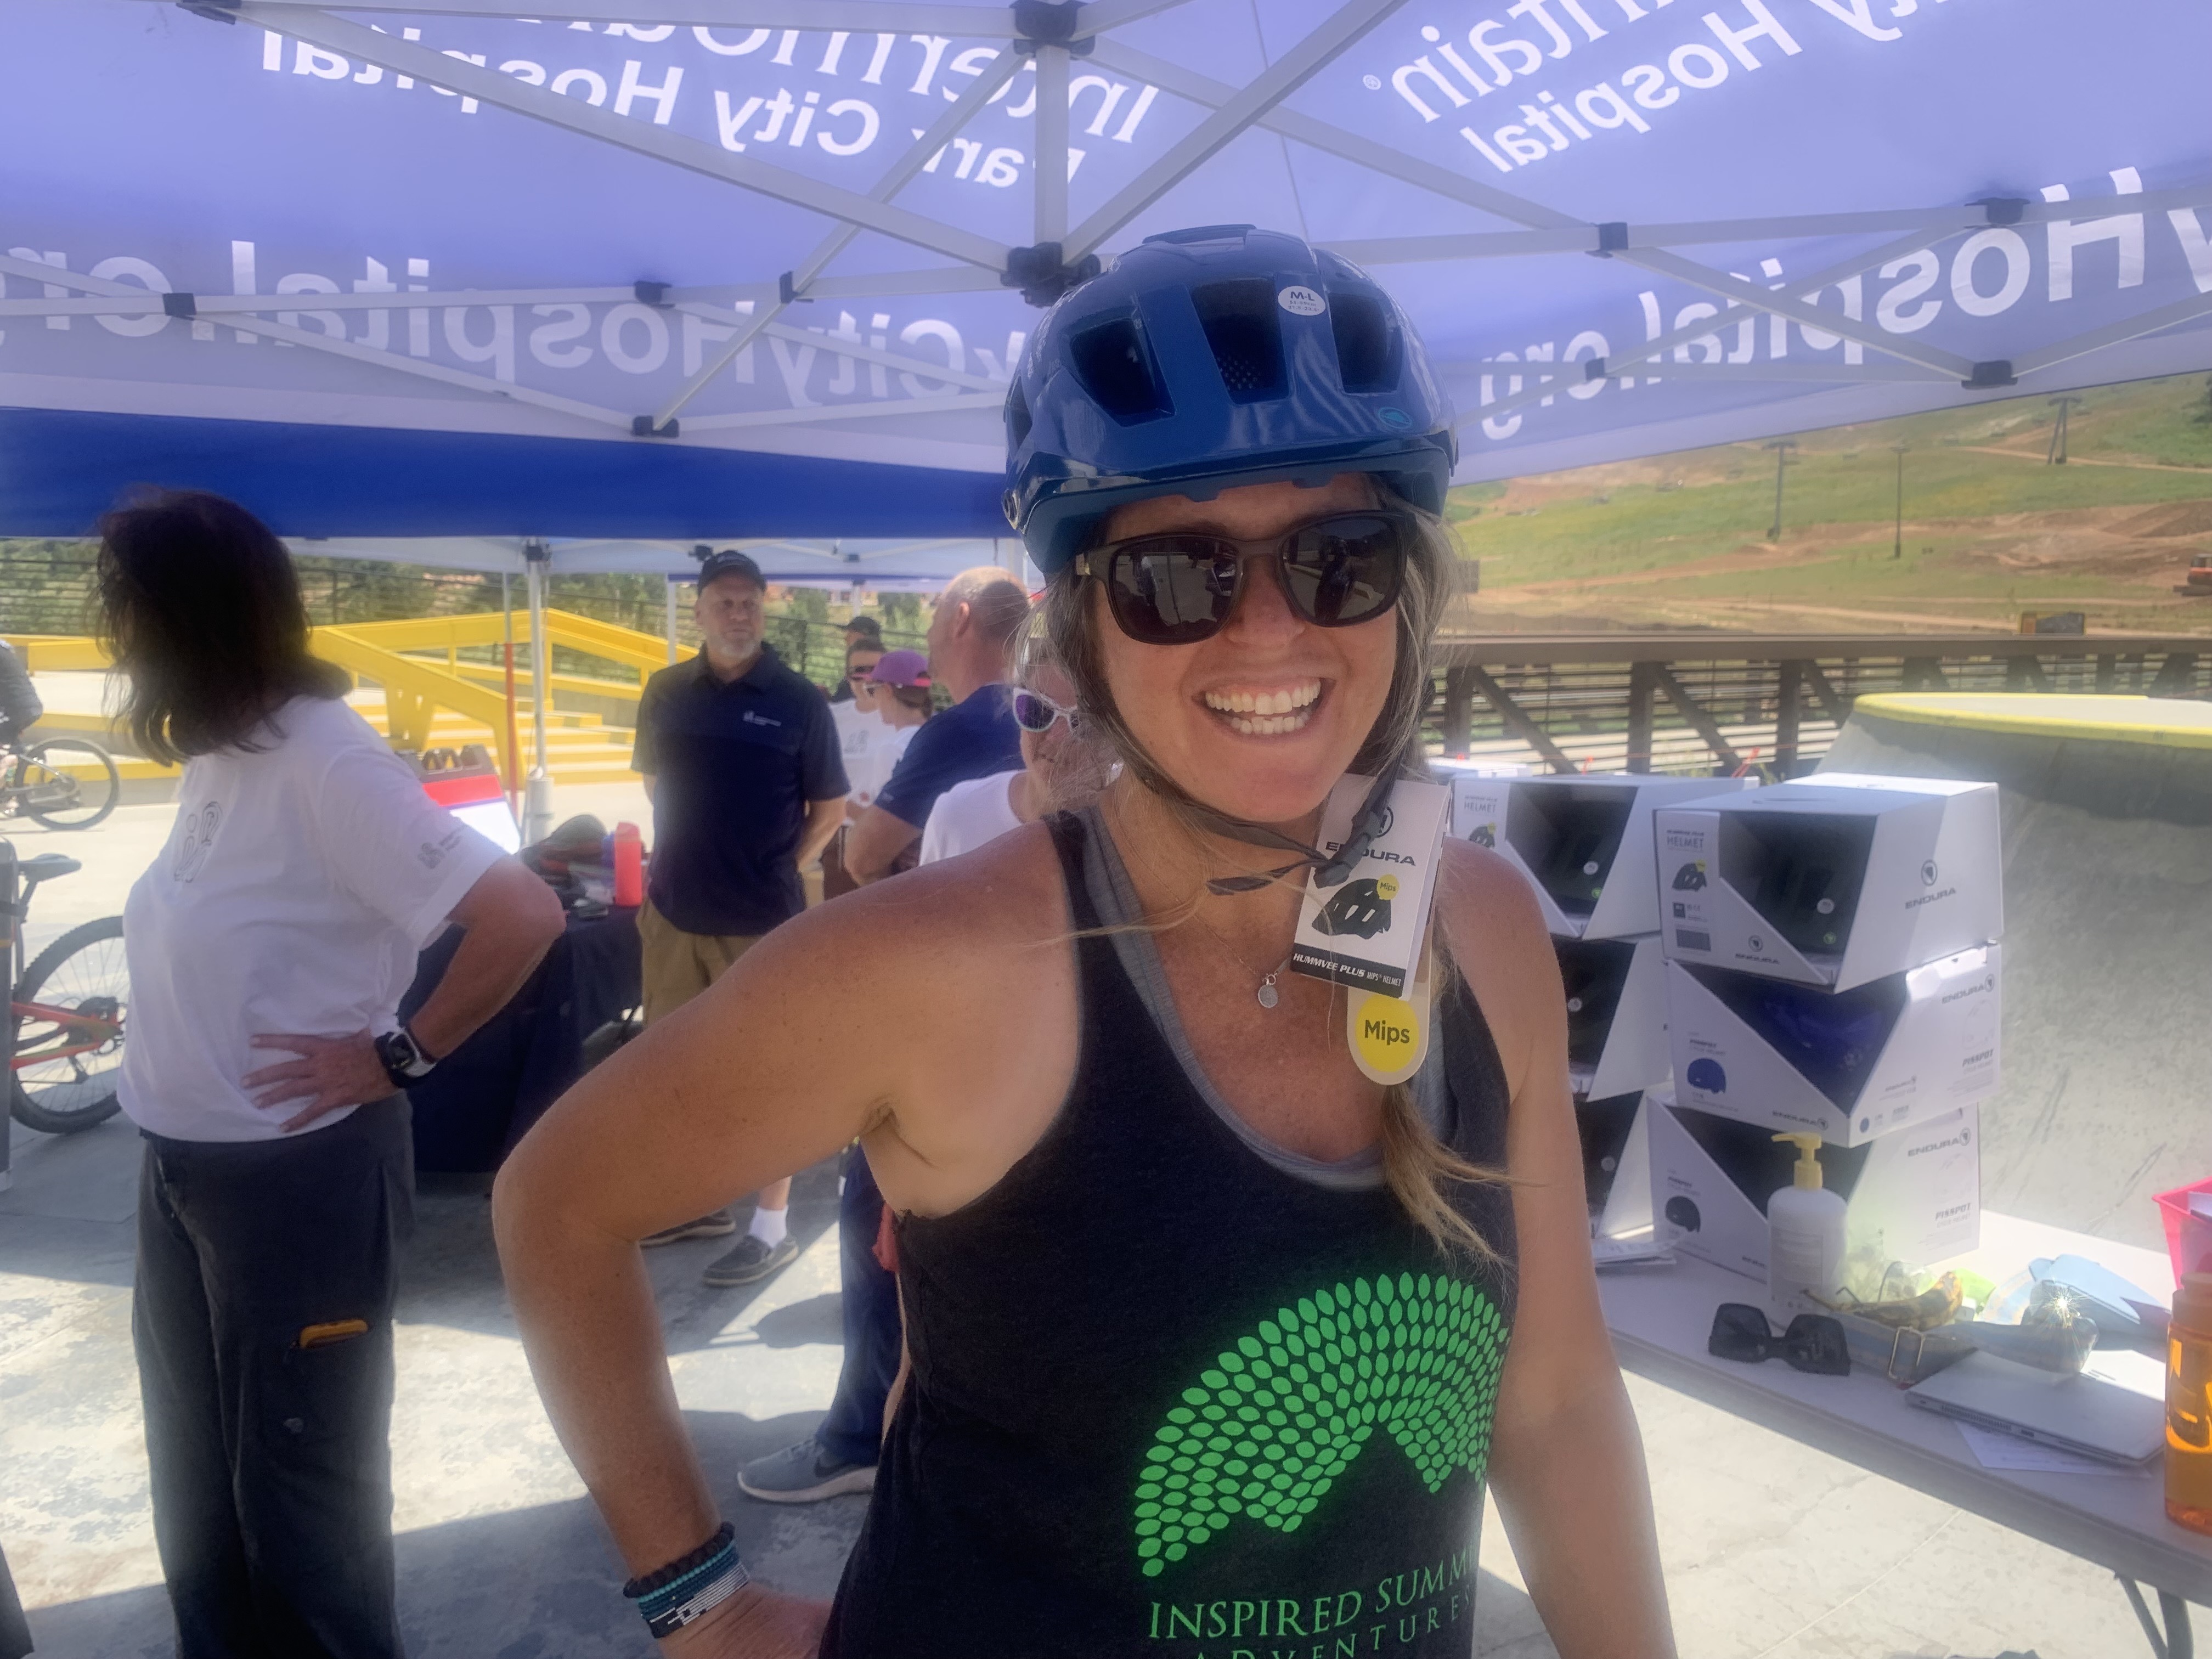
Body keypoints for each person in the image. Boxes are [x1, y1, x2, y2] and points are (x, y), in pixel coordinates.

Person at [495, 228, 1673, 1658]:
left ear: (1406, 584)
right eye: (1177, 577)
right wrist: (702, 1605)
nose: (1269, 633)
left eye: (1337, 558)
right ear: (1084, 624)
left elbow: (1546, 1401)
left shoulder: (1477, 925)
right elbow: (558, 1207)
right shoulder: (933, 966)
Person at [107, 490, 566, 1659]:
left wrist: (396, 1056)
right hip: (183, 1169)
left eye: (127, 609)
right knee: (202, 1498)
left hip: (295, 1182)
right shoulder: (227, 750)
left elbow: (520, 911)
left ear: (184, 617)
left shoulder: (324, 759)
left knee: (307, 1510)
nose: (114, 636)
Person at [737, 658, 1111, 1507]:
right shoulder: (965, 809)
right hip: (956, 1109)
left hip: (1070, 1120)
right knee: (899, 1274)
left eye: (1082, 718)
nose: (1053, 738)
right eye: (1034, 709)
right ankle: (896, 1465)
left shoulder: (1150, 833)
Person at [629, 548, 848, 1287]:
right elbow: (657, 785)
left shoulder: (798, 700)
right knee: (671, 1066)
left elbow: (832, 809)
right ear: (698, 610)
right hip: (674, 912)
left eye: (750, 603)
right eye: (724, 602)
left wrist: (787, 863)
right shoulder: (664, 693)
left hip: (760, 919)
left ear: (764, 610)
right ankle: (692, 1201)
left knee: (767, 1076)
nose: (739, 614)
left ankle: (772, 1226)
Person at [839, 569, 1026, 884]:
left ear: (960, 619)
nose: (927, 632)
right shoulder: (1047, 713)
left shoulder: (957, 732)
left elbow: (862, 860)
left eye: (936, 613)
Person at [915, 662, 1113, 864]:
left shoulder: (1129, 841)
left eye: (1086, 722)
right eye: (1038, 709)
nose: (1056, 736)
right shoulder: (956, 813)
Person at [828, 615, 882, 703]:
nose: (845, 638)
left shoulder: (864, 671)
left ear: (862, 637)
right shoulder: (872, 666)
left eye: (850, 633)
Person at [0, 637, 42, 750]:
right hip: (27, 707)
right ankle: (21, 756)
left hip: (17, 709)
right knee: (7, 740)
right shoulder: (4, 649)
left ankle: (16, 757)